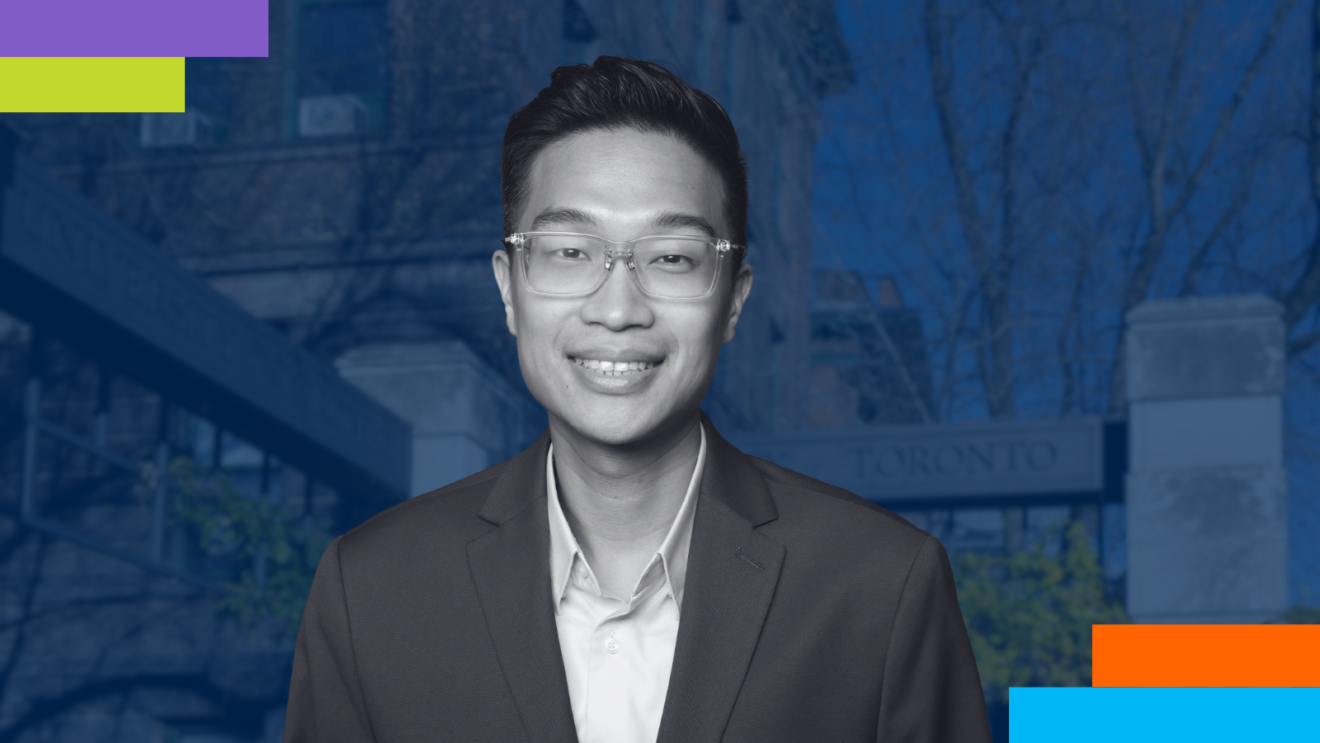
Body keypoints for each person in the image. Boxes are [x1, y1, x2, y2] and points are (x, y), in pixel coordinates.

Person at [284, 56, 992, 743]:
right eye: (570, 252)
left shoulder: (881, 585)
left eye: (672, 258)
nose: (618, 308)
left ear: (734, 299)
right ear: (509, 287)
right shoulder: (370, 591)